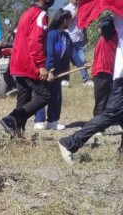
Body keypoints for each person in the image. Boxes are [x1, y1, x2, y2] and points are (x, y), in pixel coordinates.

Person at [58, 12, 123, 163]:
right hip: (117, 76)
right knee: (110, 114)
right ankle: (70, 142)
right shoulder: (116, 23)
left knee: (114, 113)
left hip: (115, 74)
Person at [0, 0, 52, 138]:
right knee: (44, 96)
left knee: (23, 100)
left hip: (18, 63)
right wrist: (41, 65)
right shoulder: (40, 14)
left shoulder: (27, 13)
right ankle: (11, 119)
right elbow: (36, 41)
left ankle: (16, 134)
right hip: (28, 64)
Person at [33, 9, 72, 131]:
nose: (71, 23)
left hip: (59, 71)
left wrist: (83, 63)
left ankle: (52, 121)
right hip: (48, 70)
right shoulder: (51, 34)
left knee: (56, 96)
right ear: (64, 21)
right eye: (70, 20)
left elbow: (72, 53)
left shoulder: (66, 36)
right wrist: (50, 69)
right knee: (43, 95)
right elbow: (49, 52)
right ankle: (39, 120)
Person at [91, 15, 118, 116]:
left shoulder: (109, 35)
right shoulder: (107, 37)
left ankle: (98, 124)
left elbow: (106, 25)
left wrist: (107, 19)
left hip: (103, 71)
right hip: (104, 70)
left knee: (101, 99)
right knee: (106, 99)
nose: (98, 29)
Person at [63, 0, 92, 86]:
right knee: (66, 60)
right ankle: (65, 80)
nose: (77, 0)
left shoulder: (81, 8)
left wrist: (85, 35)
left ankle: (86, 79)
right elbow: (67, 21)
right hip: (70, 38)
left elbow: (83, 22)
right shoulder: (66, 9)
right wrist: (77, 11)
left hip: (80, 38)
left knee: (82, 59)